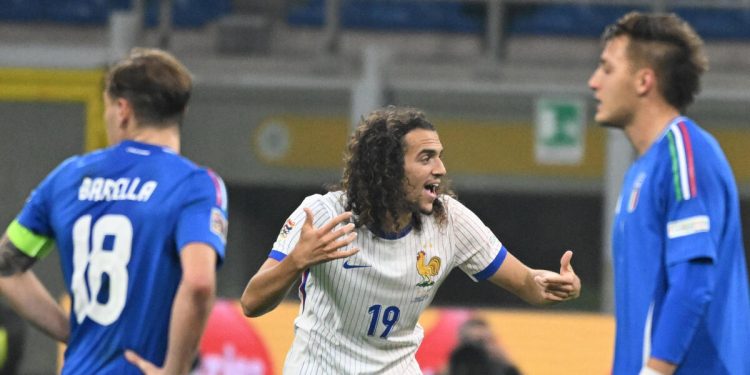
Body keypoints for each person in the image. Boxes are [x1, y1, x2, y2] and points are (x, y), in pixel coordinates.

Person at [240, 106, 580, 374]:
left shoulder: (450, 221)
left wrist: (559, 285)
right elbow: (252, 302)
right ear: (388, 168)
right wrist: (297, 261)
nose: (441, 168)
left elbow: (528, 284)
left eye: (439, 155)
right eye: (426, 158)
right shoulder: (323, 215)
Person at [0, 48, 228, 374]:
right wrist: (174, 369)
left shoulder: (68, 177)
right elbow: (199, 283)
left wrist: (78, 336)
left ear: (122, 110)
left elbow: (6, 267)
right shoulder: (197, 185)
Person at [588, 11, 750, 375]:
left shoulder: (685, 152)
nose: (594, 82)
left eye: (607, 69)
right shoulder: (640, 171)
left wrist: (655, 371)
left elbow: (693, 282)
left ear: (644, 80)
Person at [447, 317, 520, 375]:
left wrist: (507, 364)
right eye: (477, 342)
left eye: (486, 341)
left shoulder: (501, 368)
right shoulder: (452, 368)